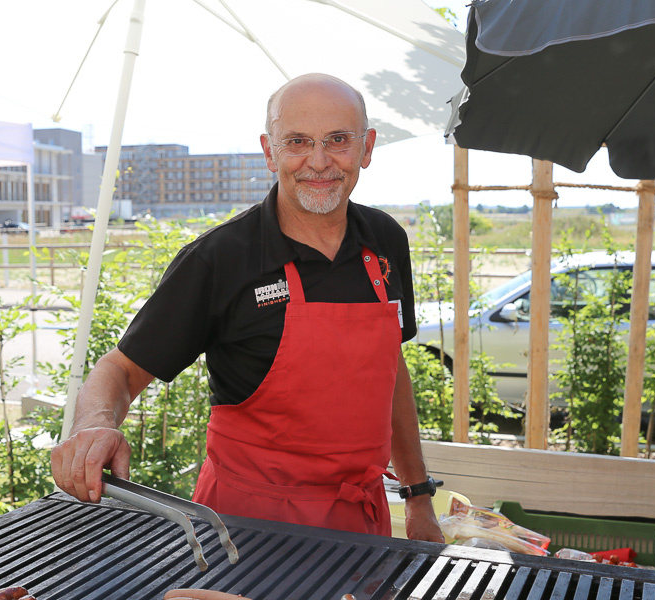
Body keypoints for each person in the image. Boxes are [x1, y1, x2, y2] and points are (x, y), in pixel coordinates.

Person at [51, 73, 443, 542]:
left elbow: (390, 371)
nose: (319, 161)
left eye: (338, 140)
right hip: (244, 530)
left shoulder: (385, 240)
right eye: (297, 142)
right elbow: (121, 369)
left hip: (360, 525)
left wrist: (418, 497)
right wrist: (94, 425)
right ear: (269, 152)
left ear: (367, 147)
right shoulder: (220, 258)